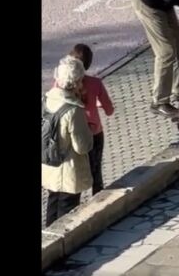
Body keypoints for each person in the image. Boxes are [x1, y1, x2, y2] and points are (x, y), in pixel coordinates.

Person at [42, 56, 93, 227]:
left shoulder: (46, 100)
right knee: (67, 214)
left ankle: (47, 243)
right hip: (68, 171)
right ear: (77, 82)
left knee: (52, 204)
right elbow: (82, 146)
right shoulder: (73, 110)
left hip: (49, 166)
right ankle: (63, 250)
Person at [68, 44, 114, 195]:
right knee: (95, 171)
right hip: (94, 132)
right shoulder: (95, 83)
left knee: (75, 172)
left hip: (72, 133)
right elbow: (109, 110)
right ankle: (98, 200)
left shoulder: (61, 82)